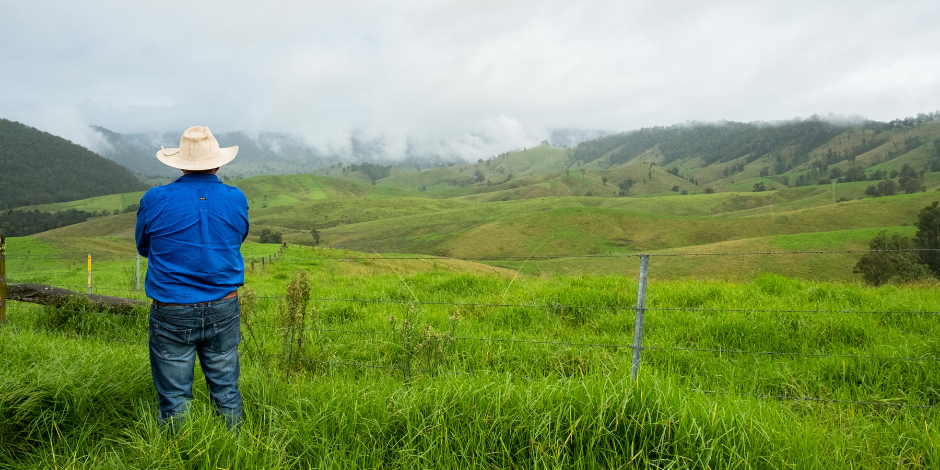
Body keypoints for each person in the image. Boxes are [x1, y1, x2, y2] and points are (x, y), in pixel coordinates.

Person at [135, 126, 249, 431]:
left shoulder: (155, 198)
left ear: (181, 163)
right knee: (227, 392)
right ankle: (234, 453)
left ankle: (179, 456)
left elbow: (143, 247)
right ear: (218, 162)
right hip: (224, 305)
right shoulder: (236, 198)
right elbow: (236, 240)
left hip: (171, 308)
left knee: (174, 399)